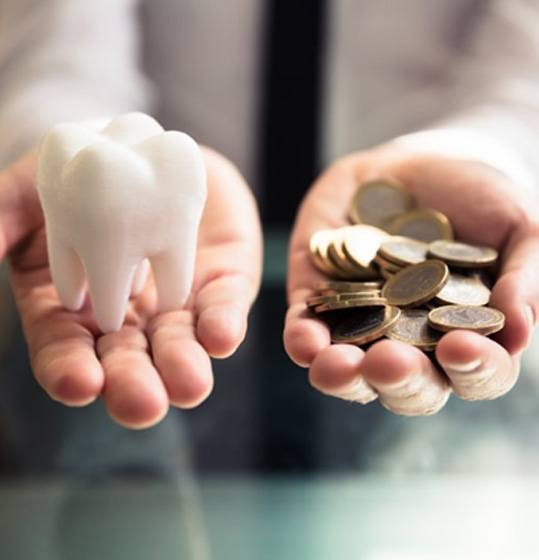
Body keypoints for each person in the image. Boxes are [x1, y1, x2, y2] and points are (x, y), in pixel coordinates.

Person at [0, 0, 538, 429]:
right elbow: (54, 50)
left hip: (413, 176)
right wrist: (68, 156)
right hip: (169, 179)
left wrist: (481, 155)